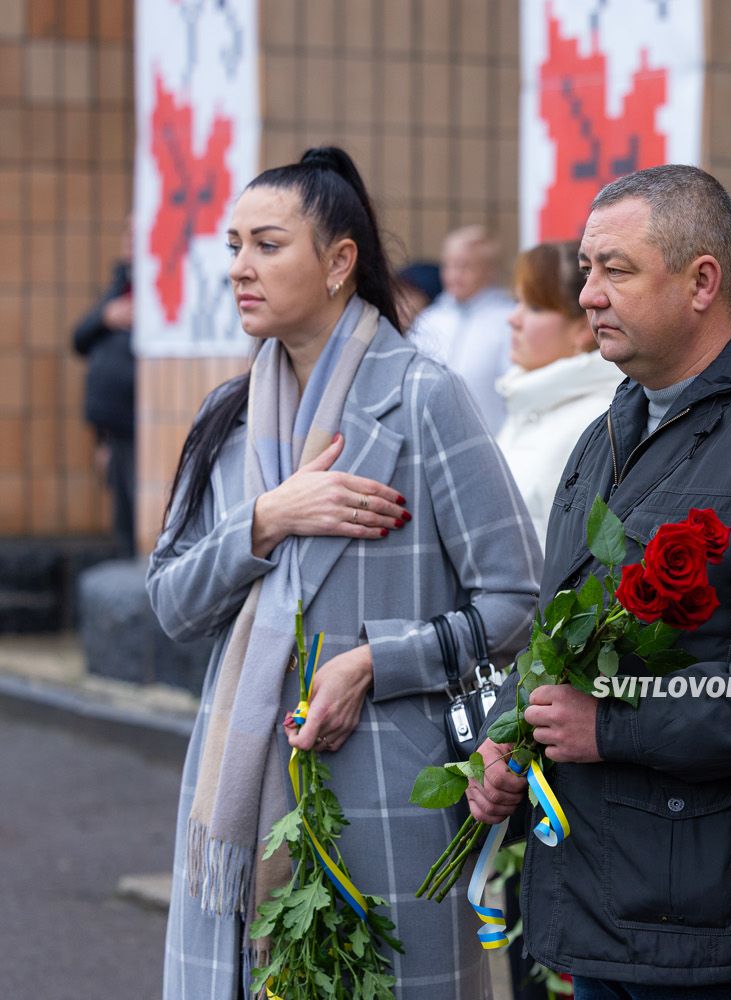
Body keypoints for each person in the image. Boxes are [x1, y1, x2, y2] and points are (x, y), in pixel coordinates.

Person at [467, 164, 731, 999]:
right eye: (586, 268)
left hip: (716, 928)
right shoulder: (608, 430)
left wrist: (613, 726)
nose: (588, 294)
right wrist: (513, 730)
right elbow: (562, 636)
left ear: (703, 281)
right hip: (606, 906)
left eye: (615, 269)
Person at [146, 147, 541, 1000]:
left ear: (338, 262)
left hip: (387, 791)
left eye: (267, 245)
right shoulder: (228, 418)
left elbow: (517, 599)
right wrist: (266, 518)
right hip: (237, 803)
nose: (240, 269)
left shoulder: (424, 395)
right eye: (232, 246)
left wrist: (373, 663)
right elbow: (170, 601)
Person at [496, 240, 621, 545]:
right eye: (516, 301)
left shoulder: (596, 420)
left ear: (582, 327)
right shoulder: (527, 400)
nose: (513, 319)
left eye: (535, 307)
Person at [72, 216, 137, 555]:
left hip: (137, 424)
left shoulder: (157, 290)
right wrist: (106, 316)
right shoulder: (120, 284)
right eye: (127, 231)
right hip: (113, 426)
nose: (130, 240)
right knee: (123, 515)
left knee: (138, 511)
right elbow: (79, 338)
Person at [410, 226, 514, 435]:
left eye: (465, 267)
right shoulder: (430, 318)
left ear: (489, 271)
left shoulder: (507, 320)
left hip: (492, 437)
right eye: (448, 265)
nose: (454, 275)